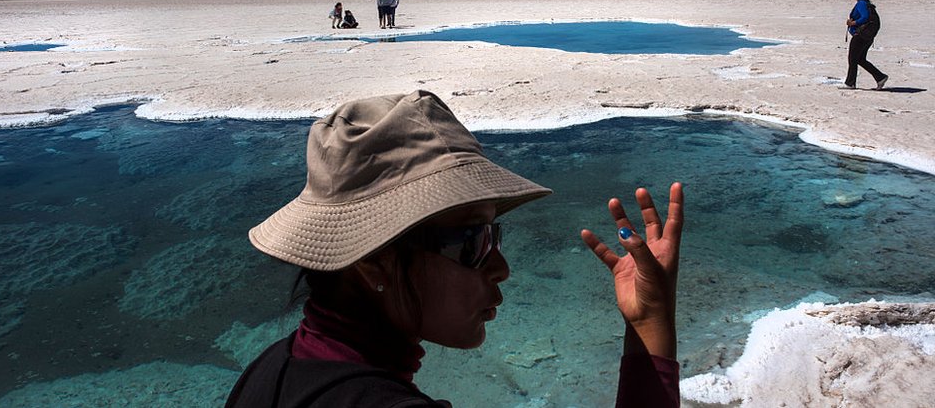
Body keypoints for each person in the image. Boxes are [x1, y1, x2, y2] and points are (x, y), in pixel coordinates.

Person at [226, 91, 683, 407]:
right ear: (373, 263)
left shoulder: (269, 372)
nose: (501, 268)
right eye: (471, 242)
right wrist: (653, 326)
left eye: (494, 235)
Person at [842, 0, 888, 90]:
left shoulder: (861, 4)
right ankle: (880, 77)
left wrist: (853, 23)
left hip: (860, 36)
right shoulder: (867, 3)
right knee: (860, 59)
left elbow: (865, 17)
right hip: (867, 36)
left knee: (853, 59)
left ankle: (850, 83)